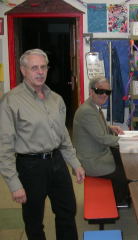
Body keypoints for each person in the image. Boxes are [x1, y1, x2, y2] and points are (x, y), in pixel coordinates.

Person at [0, 48, 85, 240]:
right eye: (34, 68)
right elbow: (3, 148)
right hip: (30, 167)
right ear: (23, 70)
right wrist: (14, 184)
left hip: (57, 162)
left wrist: (75, 163)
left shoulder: (56, 99)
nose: (40, 72)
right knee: (34, 220)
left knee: (67, 211)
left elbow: (63, 137)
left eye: (44, 67)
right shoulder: (10, 101)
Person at [72, 76, 129, 206]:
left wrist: (109, 127)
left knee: (123, 161)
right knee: (122, 173)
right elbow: (102, 138)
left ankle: (123, 194)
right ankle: (119, 201)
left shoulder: (93, 106)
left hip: (98, 152)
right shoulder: (88, 111)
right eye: (100, 91)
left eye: (107, 92)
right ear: (91, 91)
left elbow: (95, 128)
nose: (104, 95)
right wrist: (128, 141)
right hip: (92, 161)